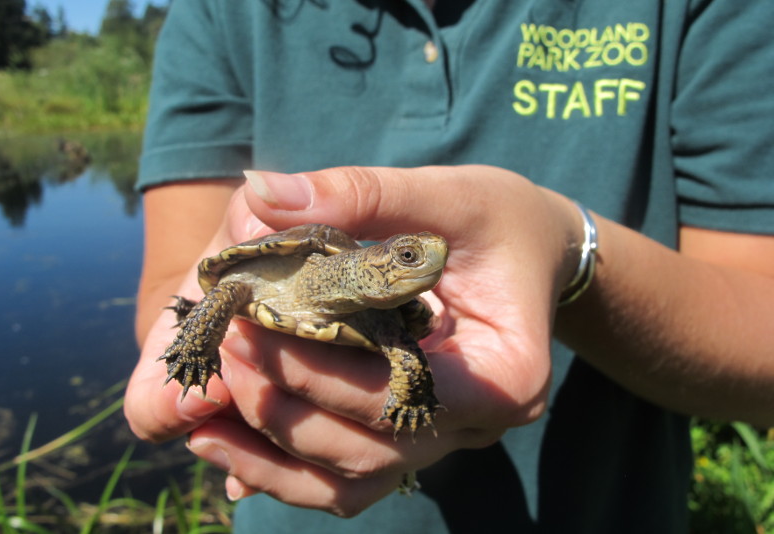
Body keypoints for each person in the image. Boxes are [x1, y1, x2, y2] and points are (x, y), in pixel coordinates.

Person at [125, 1, 774, 532]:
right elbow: (205, 282)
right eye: (408, 256)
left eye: (423, 257)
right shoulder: (222, 13)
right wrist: (195, 345)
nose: (427, 262)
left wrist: (568, 254)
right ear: (375, 267)